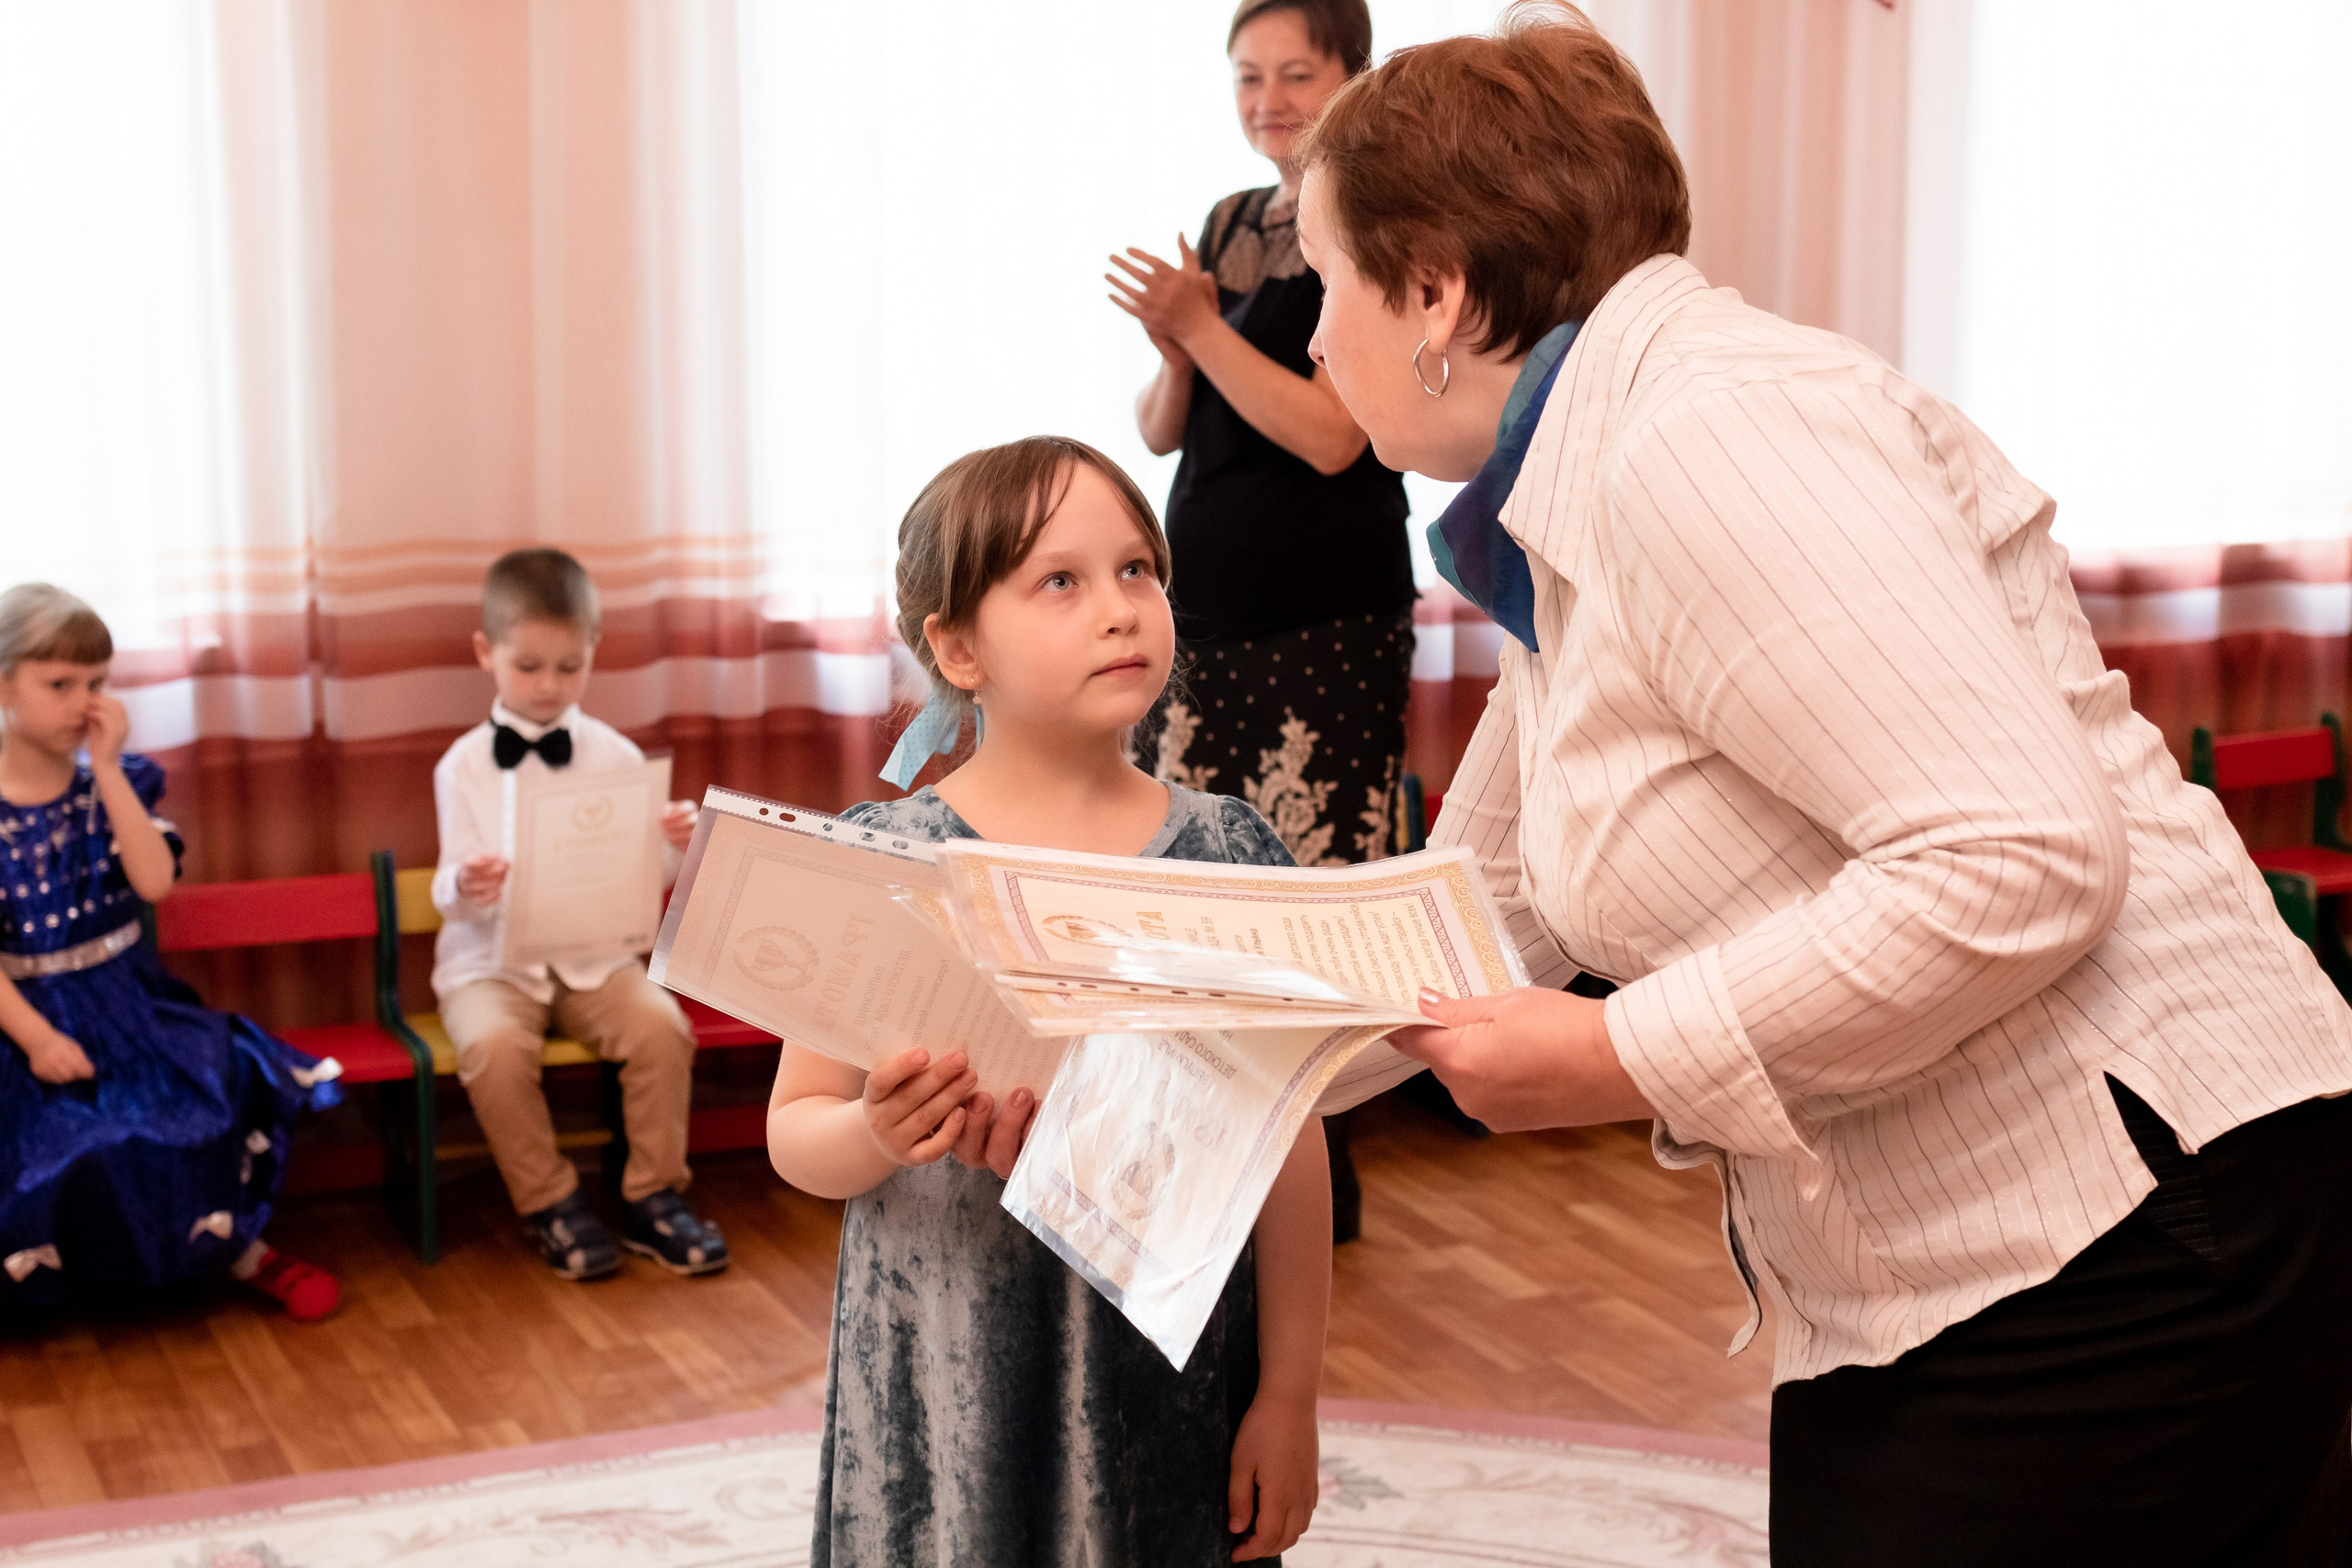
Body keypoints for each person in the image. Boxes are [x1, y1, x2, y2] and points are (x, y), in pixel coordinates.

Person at [1293, 9, 2352, 1565]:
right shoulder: (1580, 485)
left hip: (2135, 1211)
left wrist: (1618, 1055)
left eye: (1328, 285)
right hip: (1986, 1250)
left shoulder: (1703, 436)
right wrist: (1130, 1043)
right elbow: (1482, 917)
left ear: (1438, 288)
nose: (1317, 337)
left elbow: (2019, 855)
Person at [775, 436, 1329, 1566]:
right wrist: (877, 1132)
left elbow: (1289, 1141)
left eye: (1139, 570)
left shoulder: (1230, 852)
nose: (1121, 610)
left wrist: (1290, 1396)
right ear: (957, 647)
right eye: (1061, 582)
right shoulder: (887, 862)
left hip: (1165, 1380)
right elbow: (795, 1132)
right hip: (941, 1379)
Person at [1111, 0, 1408, 1241]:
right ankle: (1202, 1164)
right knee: (1195, 891)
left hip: (1326, 622)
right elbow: (1164, 428)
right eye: (1249, 76)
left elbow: (1338, 436)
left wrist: (1200, 328)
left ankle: (1303, 1189)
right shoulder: (1234, 225)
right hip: (1209, 612)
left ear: (1355, 76)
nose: (1270, 99)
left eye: (1296, 74)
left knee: (1304, 910)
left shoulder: (1383, 225)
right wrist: (1173, 345)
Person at [0, 583, 340, 1321]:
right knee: (63, 1140)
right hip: (23, 1014)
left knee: (201, 1101)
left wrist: (111, 769)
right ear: (4, 686)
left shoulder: (115, 784)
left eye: (96, 684)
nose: (83, 703)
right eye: (59, 685)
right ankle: (57, 1279)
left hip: (127, 1002)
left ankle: (241, 1247)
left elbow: (154, 881)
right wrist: (37, 1038)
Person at [429, 547, 725, 1281]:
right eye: (528, 666)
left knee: (662, 1027)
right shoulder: (463, 764)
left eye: (569, 666)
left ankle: (654, 1193)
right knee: (493, 1051)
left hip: (595, 956)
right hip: (491, 964)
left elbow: (635, 883)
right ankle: (550, 1201)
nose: (548, 685)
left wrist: (668, 847)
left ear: (593, 653)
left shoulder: (616, 754)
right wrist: (467, 883)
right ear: (485, 653)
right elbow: (447, 884)